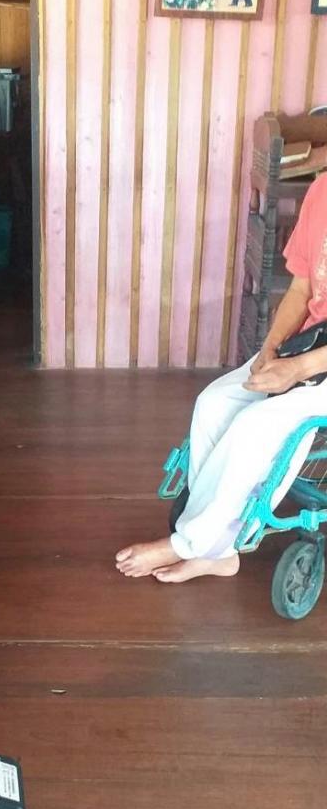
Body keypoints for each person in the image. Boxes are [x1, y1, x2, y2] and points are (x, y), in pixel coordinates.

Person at [116, 173, 327, 585]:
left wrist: (298, 369)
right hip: (311, 341)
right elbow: (301, 291)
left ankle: (190, 544)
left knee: (258, 425)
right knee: (215, 402)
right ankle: (219, 551)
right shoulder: (321, 190)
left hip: (313, 362)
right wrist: (270, 351)